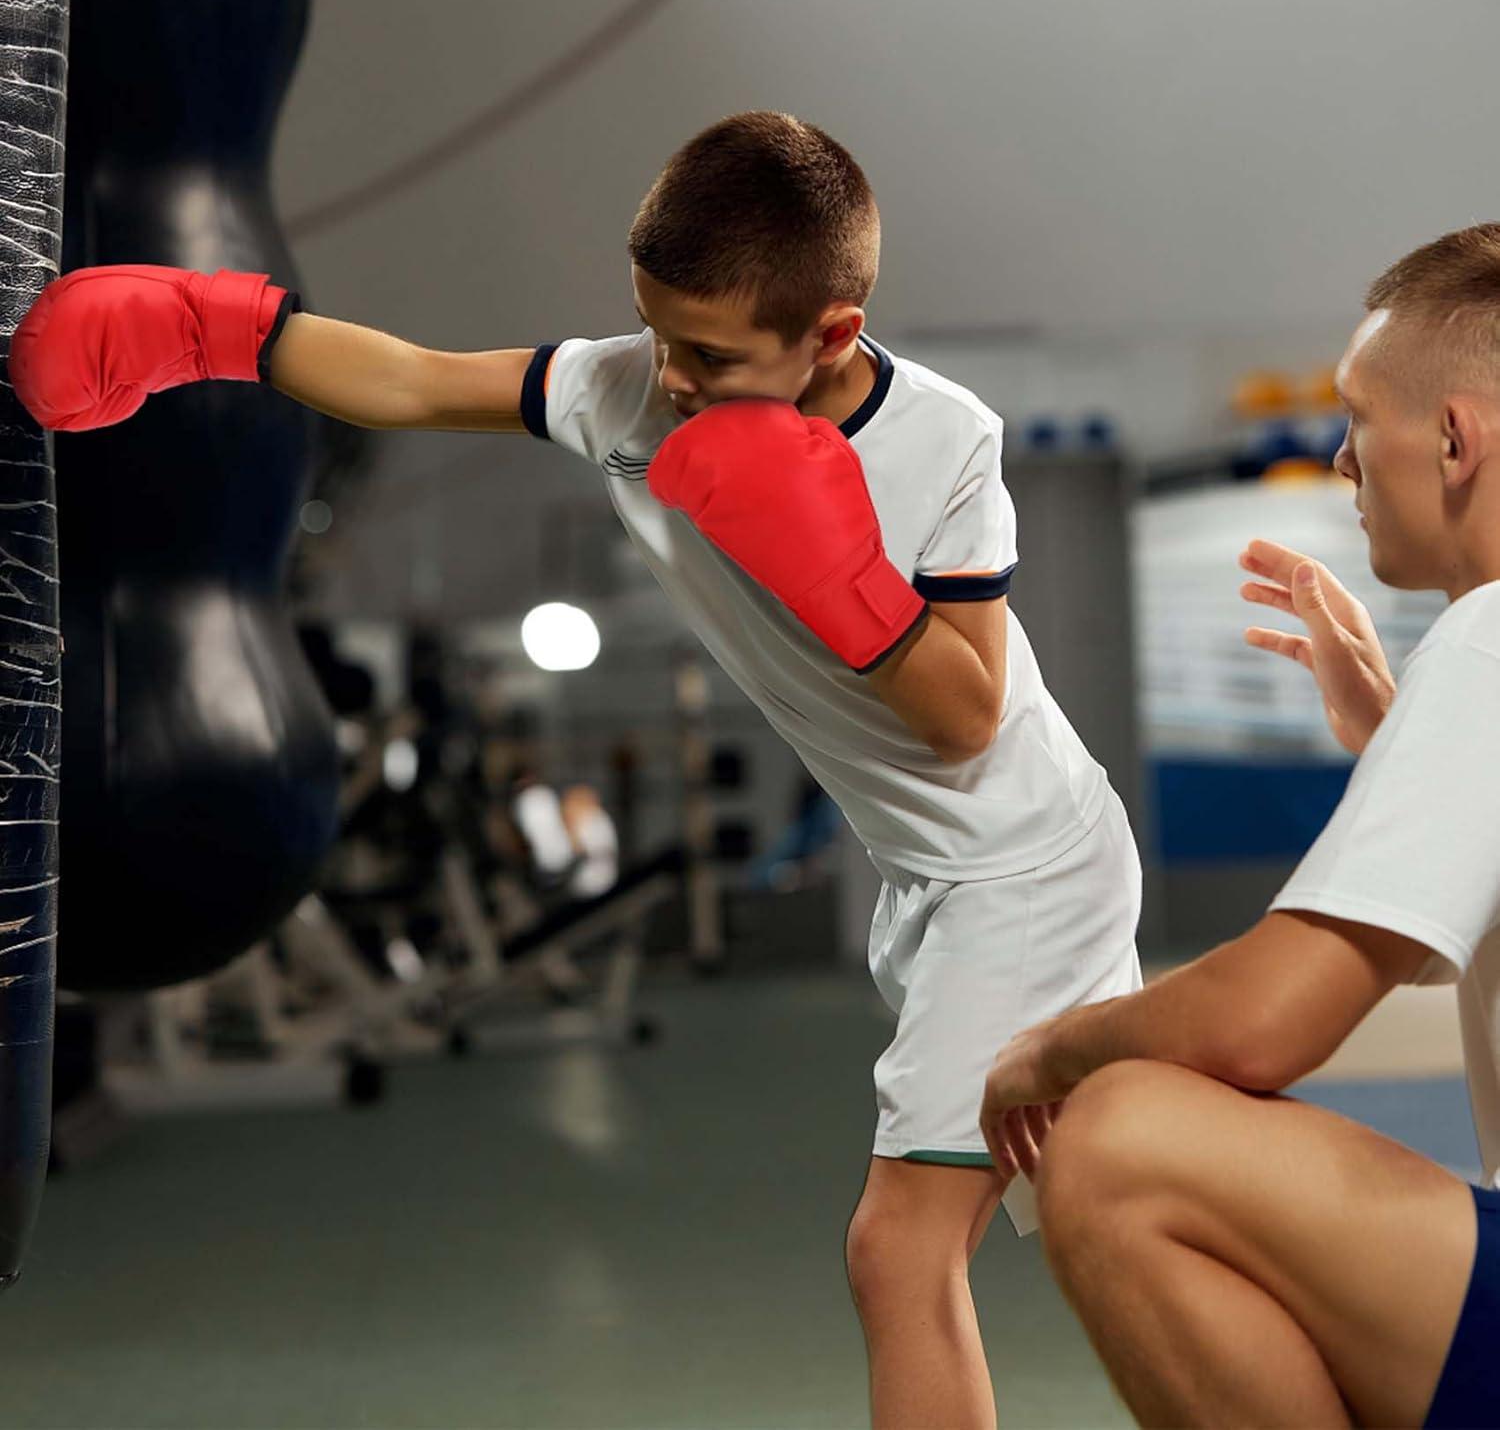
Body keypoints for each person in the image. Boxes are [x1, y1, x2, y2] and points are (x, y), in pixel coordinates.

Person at [10, 110, 1141, 1430]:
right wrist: (216, 332)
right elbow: (416, 382)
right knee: (1122, 1202)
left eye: (712, 357)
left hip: (1022, 868)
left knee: (902, 1249)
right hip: (926, 877)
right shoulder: (625, 389)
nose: (672, 379)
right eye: (657, 333)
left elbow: (965, 718)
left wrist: (838, 572)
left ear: (833, 334)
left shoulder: (945, 439)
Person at [979, 222, 1500, 1429]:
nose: (1341, 458)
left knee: (1122, 1140)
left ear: (1455, 438)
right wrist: (1397, 741)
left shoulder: (1487, 639)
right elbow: (1440, 950)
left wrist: (1048, 1051)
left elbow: (1263, 1022)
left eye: (1359, 418)